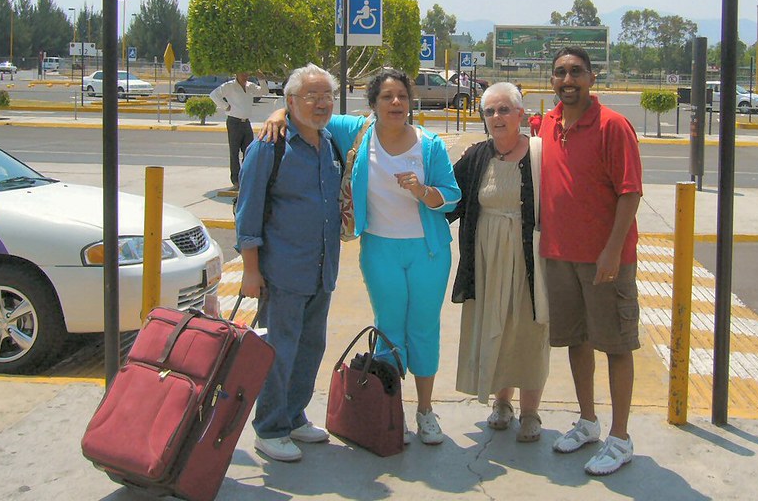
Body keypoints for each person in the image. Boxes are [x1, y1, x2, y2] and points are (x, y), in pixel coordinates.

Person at [260, 69, 460, 445]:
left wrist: (423, 191)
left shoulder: (429, 145)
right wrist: (276, 115)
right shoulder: (358, 132)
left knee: (423, 329)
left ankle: (426, 411)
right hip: (380, 248)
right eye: (386, 97)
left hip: (428, 252)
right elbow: (304, 110)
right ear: (373, 105)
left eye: (401, 95)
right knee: (388, 329)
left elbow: (451, 195)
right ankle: (388, 410)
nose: (395, 103)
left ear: (410, 101)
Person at [539, 45, 643, 477]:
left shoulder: (613, 126)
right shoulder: (546, 124)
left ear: (592, 78)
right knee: (577, 341)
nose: (568, 80)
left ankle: (620, 438)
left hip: (605, 262)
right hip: (559, 257)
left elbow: (630, 192)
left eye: (576, 72)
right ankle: (588, 422)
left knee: (616, 346)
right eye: (561, 73)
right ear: (552, 81)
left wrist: (612, 252)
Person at [234, 64, 343, 464]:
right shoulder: (270, 145)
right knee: (278, 352)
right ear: (290, 101)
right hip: (282, 272)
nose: (321, 104)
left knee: (310, 347)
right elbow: (248, 211)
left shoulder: (330, 143)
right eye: (311, 96)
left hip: (322, 269)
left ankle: (294, 415)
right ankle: (270, 428)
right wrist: (250, 269)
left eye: (326, 96)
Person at [448, 82, 549, 443]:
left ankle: (531, 412)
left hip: (528, 260)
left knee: (528, 329)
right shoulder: (477, 156)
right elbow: (449, 197)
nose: (496, 117)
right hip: (486, 259)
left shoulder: (540, 154)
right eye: (489, 111)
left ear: (521, 114)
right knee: (496, 326)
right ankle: (502, 403)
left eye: (504, 109)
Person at [210, 72, 265, 190]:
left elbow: (264, 92)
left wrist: (261, 78)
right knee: (234, 152)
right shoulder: (229, 86)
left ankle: (246, 178)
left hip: (246, 122)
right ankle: (236, 181)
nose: (245, 77)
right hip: (234, 122)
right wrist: (225, 106)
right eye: (243, 74)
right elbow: (214, 95)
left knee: (249, 151)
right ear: (237, 75)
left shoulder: (250, 86)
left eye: (247, 74)